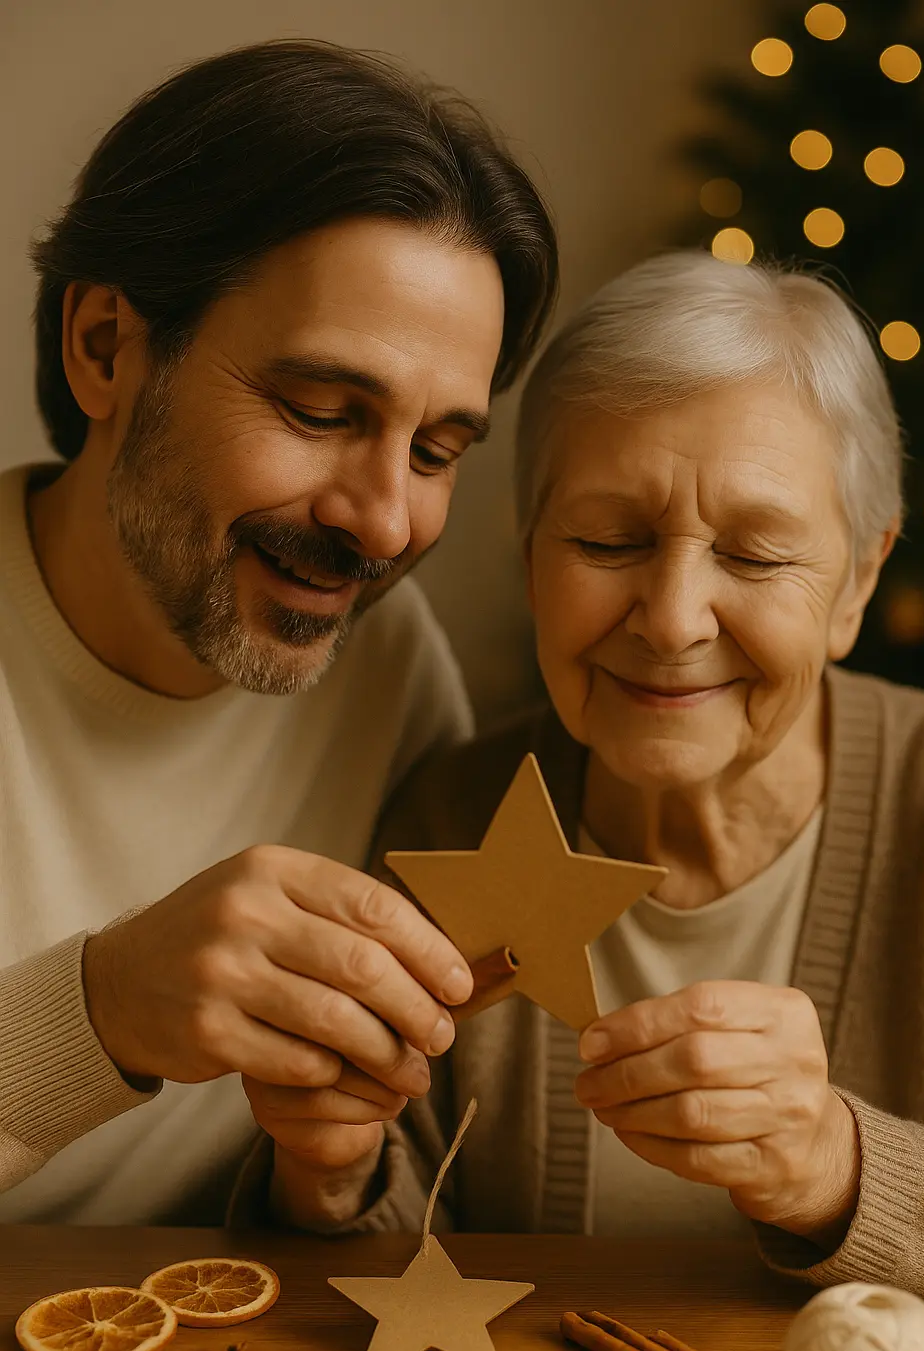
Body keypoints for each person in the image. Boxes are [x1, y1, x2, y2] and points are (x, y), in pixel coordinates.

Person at [362, 252, 924, 1299]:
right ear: (531, 552)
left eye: (756, 558)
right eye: (606, 539)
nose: (671, 621)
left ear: (857, 581)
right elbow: (382, 1261)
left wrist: (833, 1169)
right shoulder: (450, 816)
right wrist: (326, 1163)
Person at [0, 39, 557, 1229]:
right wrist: (96, 1012)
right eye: (319, 410)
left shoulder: (395, 678)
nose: (387, 518)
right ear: (104, 347)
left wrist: (332, 1169)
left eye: (438, 450)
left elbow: (391, 1175)